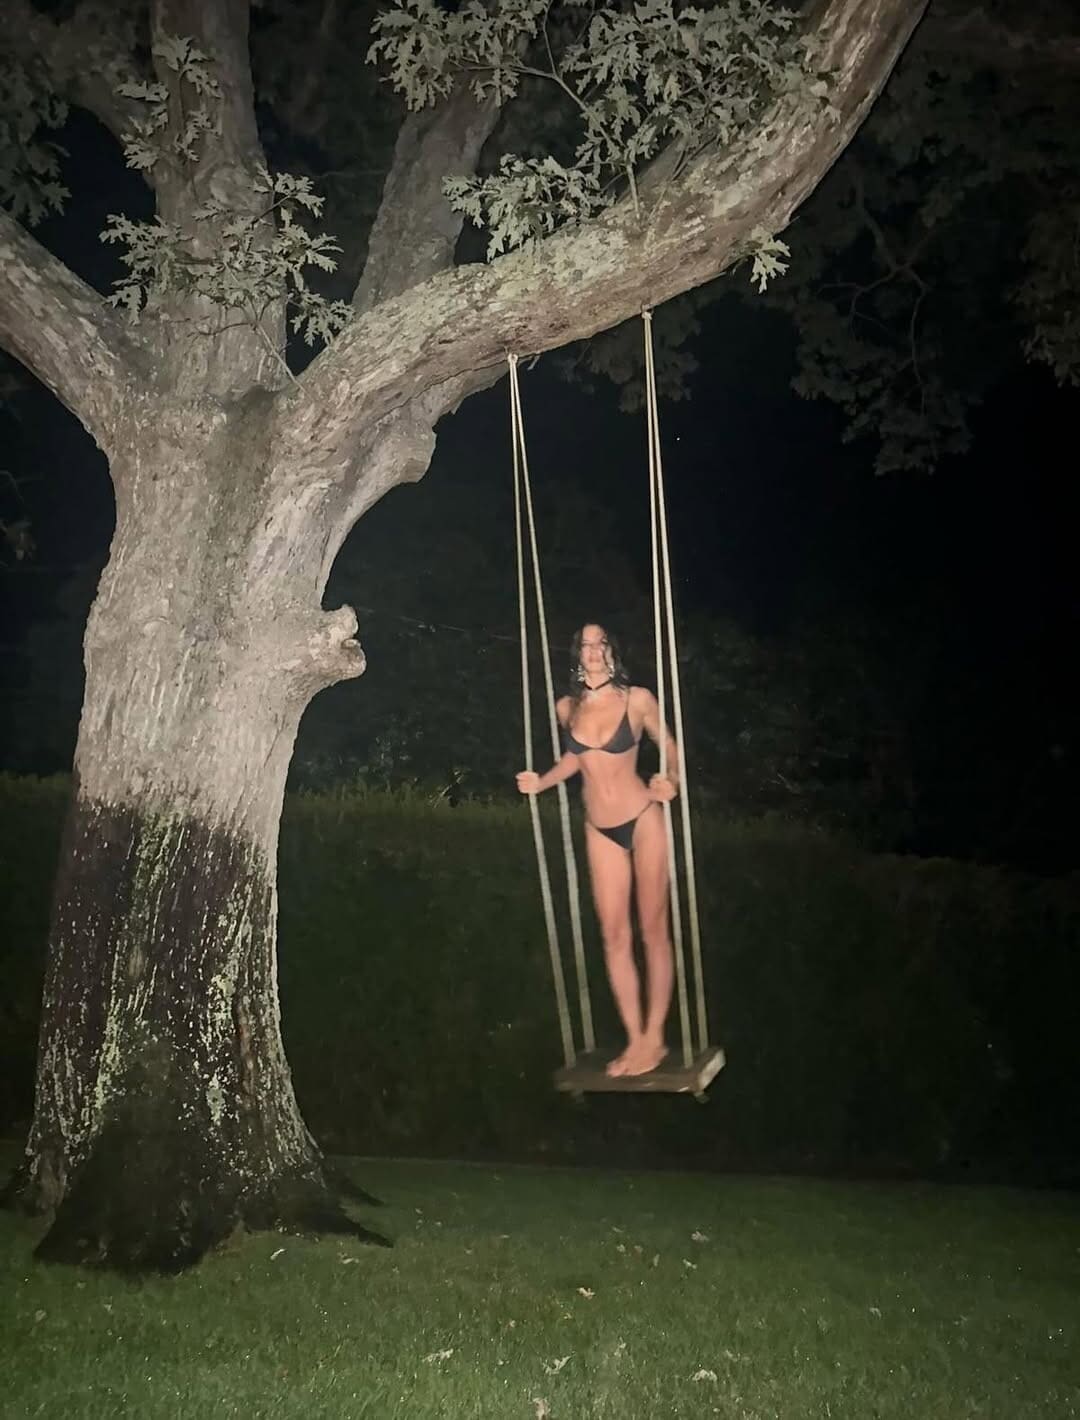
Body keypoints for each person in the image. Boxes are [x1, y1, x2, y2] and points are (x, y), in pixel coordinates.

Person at [516, 624, 678, 1077]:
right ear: (577, 654)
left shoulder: (637, 699)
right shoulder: (566, 707)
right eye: (584, 644)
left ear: (611, 651)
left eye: (599, 642)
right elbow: (577, 759)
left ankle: (655, 1038)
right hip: (600, 829)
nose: (591, 650)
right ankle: (635, 1040)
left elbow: (668, 745)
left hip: (643, 819)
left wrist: (672, 780)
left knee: (653, 929)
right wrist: (542, 781)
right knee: (614, 936)